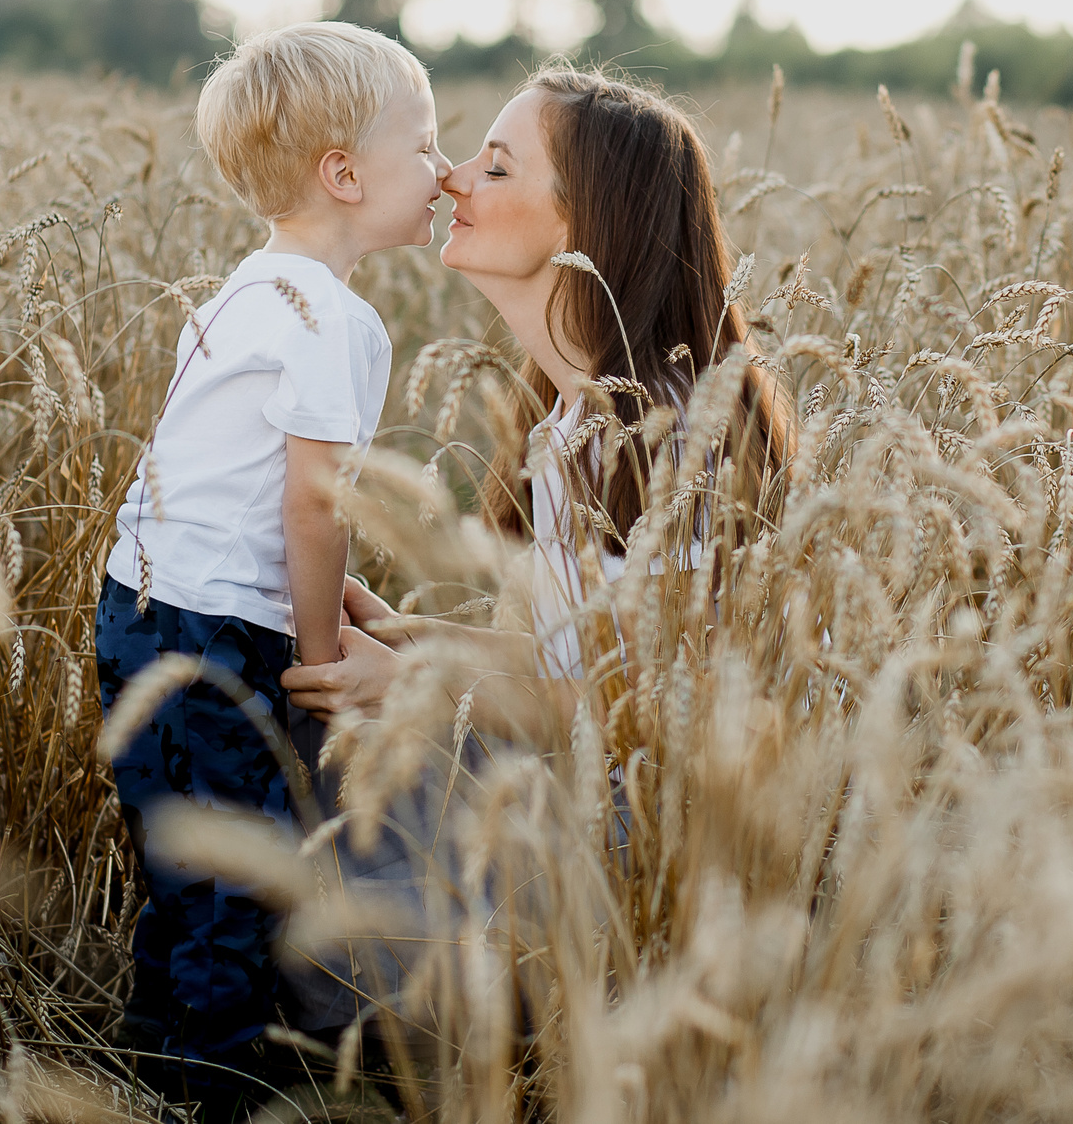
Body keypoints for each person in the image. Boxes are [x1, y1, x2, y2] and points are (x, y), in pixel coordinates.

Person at [94, 22, 448, 1107]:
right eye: (426, 147)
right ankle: (211, 1092)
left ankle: (149, 1057)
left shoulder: (248, 290)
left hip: (141, 606)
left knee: (183, 864)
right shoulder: (329, 319)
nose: (443, 171)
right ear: (343, 173)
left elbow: (222, 476)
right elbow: (311, 499)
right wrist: (322, 651)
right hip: (213, 633)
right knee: (240, 879)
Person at [282, 64, 791, 747]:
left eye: (495, 169)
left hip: (640, 840)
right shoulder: (571, 420)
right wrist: (414, 641)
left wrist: (417, 683)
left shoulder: (672, 439)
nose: (452, 176)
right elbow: (573, 655)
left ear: (583, 220)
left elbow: (655, 711)